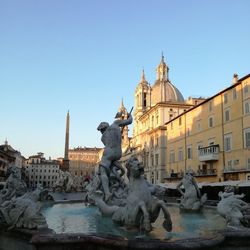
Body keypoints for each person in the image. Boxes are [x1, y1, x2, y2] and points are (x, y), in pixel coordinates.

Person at [97, 111, 132, 201]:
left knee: (103, 171)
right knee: (112, 166)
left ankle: (107, 193)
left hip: (108, 153)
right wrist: (129, 115)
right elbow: (129, 121)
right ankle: (121, 178)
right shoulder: (115, 124)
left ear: (102, 129)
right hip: (118, 153)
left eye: (101, 130)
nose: (101, 132)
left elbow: (108, 144)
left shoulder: (102, 137)